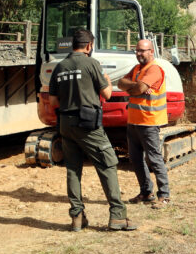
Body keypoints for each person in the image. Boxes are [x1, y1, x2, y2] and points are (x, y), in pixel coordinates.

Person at [48, 29, 136, 232]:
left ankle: (77, 218)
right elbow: (106, 93)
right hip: (88, 124)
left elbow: (53, 100)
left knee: (73, 169)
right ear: (89, 46)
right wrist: (104, 78)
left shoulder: (60, 67)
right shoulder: (91, 64)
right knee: (107, 164)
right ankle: (117, 216)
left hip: (66, 124)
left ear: (73, 45)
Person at [117, 39, 170, 209]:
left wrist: (134, 87)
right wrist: (135, 85)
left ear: (151, 51)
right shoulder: (137, 69)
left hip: (149, 122)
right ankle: (146, 192)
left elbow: (138, 90)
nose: (139, 54)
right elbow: (120, 83)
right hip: (133, 121)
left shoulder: (154, 70)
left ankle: (164, 195)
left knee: (154, 159)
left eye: (143, 51)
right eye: (137, 50)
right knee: (136, 159)